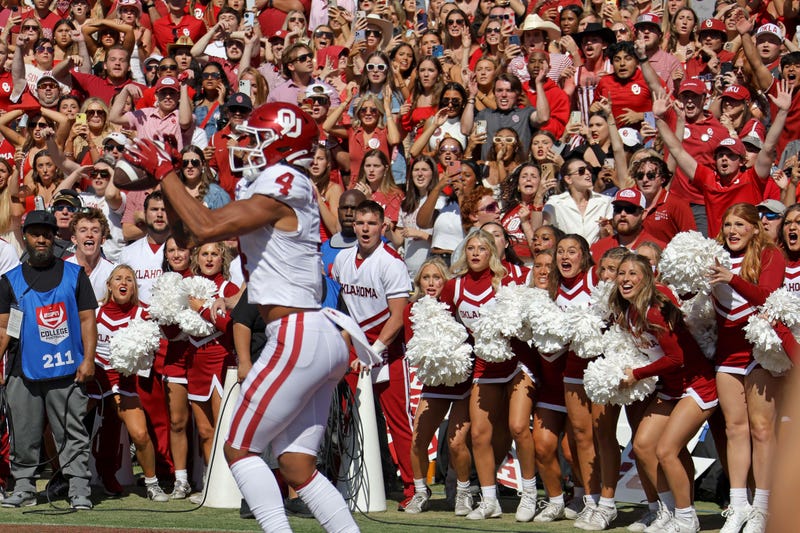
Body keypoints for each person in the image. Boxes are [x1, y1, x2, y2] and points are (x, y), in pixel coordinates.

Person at [123, 102, 359, 531]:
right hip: (316, 332)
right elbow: (190, 233)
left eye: (255, 137)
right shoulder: (279, 186)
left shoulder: (284, 181)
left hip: (297, 334)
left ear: (281, 145)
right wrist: (169, 191)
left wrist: (165, 172)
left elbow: (209, 227)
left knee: (238, 448)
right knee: (296, 466)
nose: (243, 145)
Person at [614, 253, 718, 533]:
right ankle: (669, 511)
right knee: (644, 446)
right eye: (622, 273)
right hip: (671, 387)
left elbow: (677, 358)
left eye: (634, 273)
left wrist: (635, 374)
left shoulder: (655, 308)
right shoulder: (628, 309)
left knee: (667, 450)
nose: (626, 279)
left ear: (648, 277)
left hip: (697, 384)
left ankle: (686, 518)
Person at [0, 210, 97, 510]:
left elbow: (87, 320)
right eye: (35, 233)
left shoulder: (75, 274)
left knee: (72, 433)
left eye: (47, 233)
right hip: (22, 370)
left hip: (68, 368)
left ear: (55, 237)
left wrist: (89, 359)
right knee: (23, 433)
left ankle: (79, 489)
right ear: (25, 237)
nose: (41, 238)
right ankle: (25, 488)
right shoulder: (9, 280)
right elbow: (4, 327)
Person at [332, 200, 416, 509]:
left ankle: (414, 489)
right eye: (360, 223)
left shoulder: (391, 262)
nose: (365, 229)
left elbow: (397, 317)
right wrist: (343, 346)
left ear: (383, 227)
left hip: (388, 351)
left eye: (371, 224)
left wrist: (374, 351)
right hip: (356, 348)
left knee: (398, 422)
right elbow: (345, 309)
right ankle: (344, 484)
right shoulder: (342, 259)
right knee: (345, 417)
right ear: (353, 226)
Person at [708, 203, 786, 533]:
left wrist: (732, 278)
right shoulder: (712, 255)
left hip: (757, 351)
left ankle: (763, 507)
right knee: (734, 430)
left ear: (755, 228)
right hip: (726, 353)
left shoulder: (771, 256)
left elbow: (767, 295)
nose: (732, 231)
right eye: (728, 225)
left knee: (762, 430)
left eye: (740, 224)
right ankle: (739, 504)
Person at [653, 81, 791, 238]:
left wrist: (782, 112)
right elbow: (677, 150)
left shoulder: (752, 179)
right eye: (720, 155)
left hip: (749, 249)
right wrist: (658, 118)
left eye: (731, 155)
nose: (724, 159)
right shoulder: (709, 180)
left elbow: (768, 147)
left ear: (741, 161)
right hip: (719, 251)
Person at [88, 264, 169, 501]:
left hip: (124, 381)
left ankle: (152, 483)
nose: (124, 282)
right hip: (96, 380)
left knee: (140, 434)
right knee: (73, 429)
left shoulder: (143, 315)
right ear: (109, 285)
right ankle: (68, 479)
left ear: (134, 288)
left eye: (129, 280)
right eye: (118, 279)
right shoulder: (95, 312)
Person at [402, 258, 473, 516]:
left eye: (437, 277)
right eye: (426, 278)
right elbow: (414, 350)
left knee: (456, 443)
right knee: (418, 439)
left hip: (463, 382)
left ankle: (463, 492)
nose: (431, 283)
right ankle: (421, 492)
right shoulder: (410, 310)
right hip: (434, 382)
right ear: (419, 282)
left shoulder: (457, 306)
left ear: (447, 281)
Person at [590, 188, 666, 261]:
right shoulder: (597, 248)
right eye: (618, 209)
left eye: (630, 209)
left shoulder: (660, 250)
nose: (622, 214)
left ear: (643, 214)